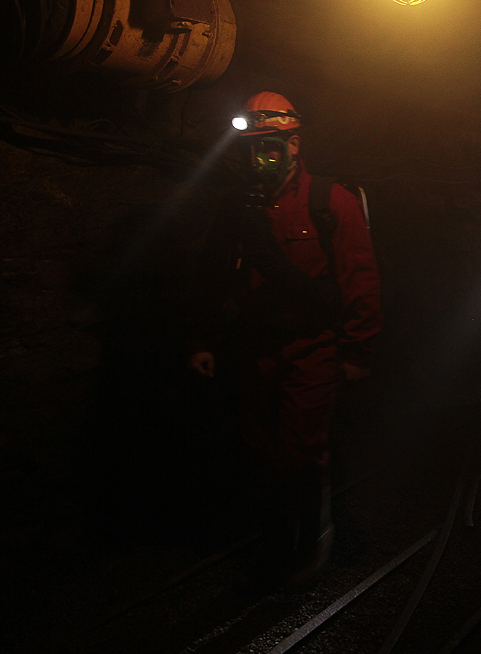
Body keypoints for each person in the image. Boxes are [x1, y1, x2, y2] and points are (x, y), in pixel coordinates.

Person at [188, 91, 381, 592]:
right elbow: (214, 274)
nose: (262, 156)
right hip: (255, 347)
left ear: (294, 144)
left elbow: (360, 278)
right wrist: (203, 338)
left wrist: (357, 351)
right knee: (259, 448)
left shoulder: (329, 201)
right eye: (253, 147)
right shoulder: (238, 205)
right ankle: (275, 537)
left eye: (272, 145)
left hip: (310, 346)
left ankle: (312, 542)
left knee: (300, 451)